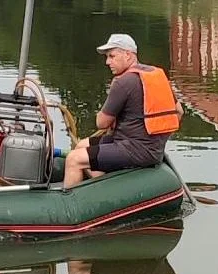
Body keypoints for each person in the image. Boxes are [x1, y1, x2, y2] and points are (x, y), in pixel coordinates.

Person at [62, 34, 183, 188]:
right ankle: (104, 189)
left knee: (74, 159)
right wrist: (157, 139)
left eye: (112, 56)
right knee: (81, 146)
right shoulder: (156, 75)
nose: (107, 62)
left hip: (135, 149)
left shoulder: (123, 82)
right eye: (107, 57)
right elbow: (179, 112)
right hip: (148, 147)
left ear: (128, 55)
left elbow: (101, 123)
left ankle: (68, 203)